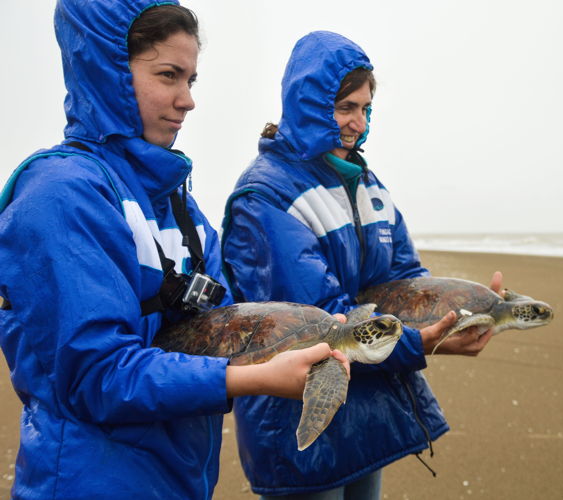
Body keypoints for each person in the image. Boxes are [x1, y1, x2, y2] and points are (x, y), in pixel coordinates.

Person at [0, 4, 347, 499]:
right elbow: (94, 375)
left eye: (192, 80)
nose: (187, 101)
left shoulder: (178, 203)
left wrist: (303, 339)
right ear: (109, 71)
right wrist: (245, 378)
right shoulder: (60, 194)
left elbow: (226, 321)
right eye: (168, 75)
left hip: (182, 479)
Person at [222, 31, 502, 499]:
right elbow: (322, 324)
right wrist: (420, 345)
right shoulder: (266, 196)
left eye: (366, 109)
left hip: (367, 410)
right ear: (308, 104)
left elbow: (403, 282)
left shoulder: (367, 183)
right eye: (345, 107)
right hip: (300, 424)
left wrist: (464, 308)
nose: (359, 123)